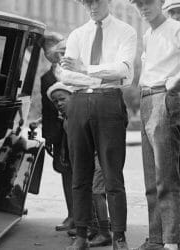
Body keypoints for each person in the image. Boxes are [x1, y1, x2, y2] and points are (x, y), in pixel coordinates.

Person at [59, 0, 137, 249]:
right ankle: (81, 234)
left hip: (109, 102)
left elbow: (124, 70)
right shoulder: (77, 34)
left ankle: (119, 237)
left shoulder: (126, 31)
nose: (92, 6)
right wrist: (99, 73)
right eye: (86, 2)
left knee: (113, 174)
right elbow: (66, 75)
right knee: (79, 173)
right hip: (79, 102)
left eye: (97, 0)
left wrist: (86, 69)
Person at [130, 0, 180, 249]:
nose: (143, 8)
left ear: (160, 3)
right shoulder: (148, 34)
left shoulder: (175, 28)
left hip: (164, 96)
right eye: (138, 4)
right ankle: (157, 238)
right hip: (147, 98)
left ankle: (172, 240)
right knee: (151, 177)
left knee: (166, 176)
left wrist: (174, 81)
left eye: (148, 2)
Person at [47, 82, 113, 247]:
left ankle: (105, 233)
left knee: (97, 193)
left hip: (100, 157)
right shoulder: (67, 121)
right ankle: (93, 227)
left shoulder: (84, 114)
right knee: (87, 192)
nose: (59, 103)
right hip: (88, 159)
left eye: (62, 99)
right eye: (55, 102)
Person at [39, 32, 74, 233]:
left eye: (54, 46)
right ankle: (72, 215)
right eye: (46, 48)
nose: (50, 52)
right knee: (66, 172)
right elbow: (46, 110)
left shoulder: (76, 72)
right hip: (59, 135)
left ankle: (93, 218)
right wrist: (48, 137)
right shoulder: (46, 78)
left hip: (78, 129)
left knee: (86, 172)